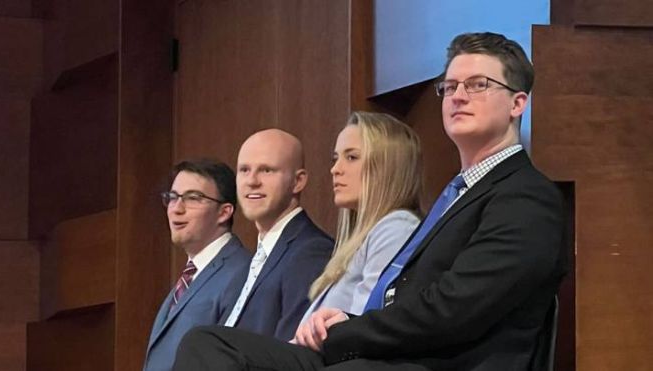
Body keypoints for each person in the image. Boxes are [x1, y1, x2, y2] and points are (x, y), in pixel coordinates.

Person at [173, 32, 568, 371]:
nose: (458, 96)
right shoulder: (457, 193)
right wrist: (346, 321)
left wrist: (347, 332)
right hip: (389, 357)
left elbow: (455, 310)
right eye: (449, 87)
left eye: (478, 84)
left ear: (518, 103)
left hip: (440, 362)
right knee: (209, 346)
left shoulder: (526, 198)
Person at [296, 111, 421, 335]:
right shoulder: (364, 239)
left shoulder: (397, 228)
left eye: (351, 157)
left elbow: (363, 327)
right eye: (336, 158)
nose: (335, 169)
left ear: (386, 166)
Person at [219, 128, 334, 341]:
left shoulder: (312, 251)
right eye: (244, 170)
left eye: (266, 170)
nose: (252, 180)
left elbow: (289, 354)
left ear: (298, 181)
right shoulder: (253, 260)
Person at [143, 159, 251, 371]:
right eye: (172, 198)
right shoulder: (190, 276)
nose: (177, 208)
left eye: (193, 198)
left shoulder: (242, 272)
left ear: (224, 212)